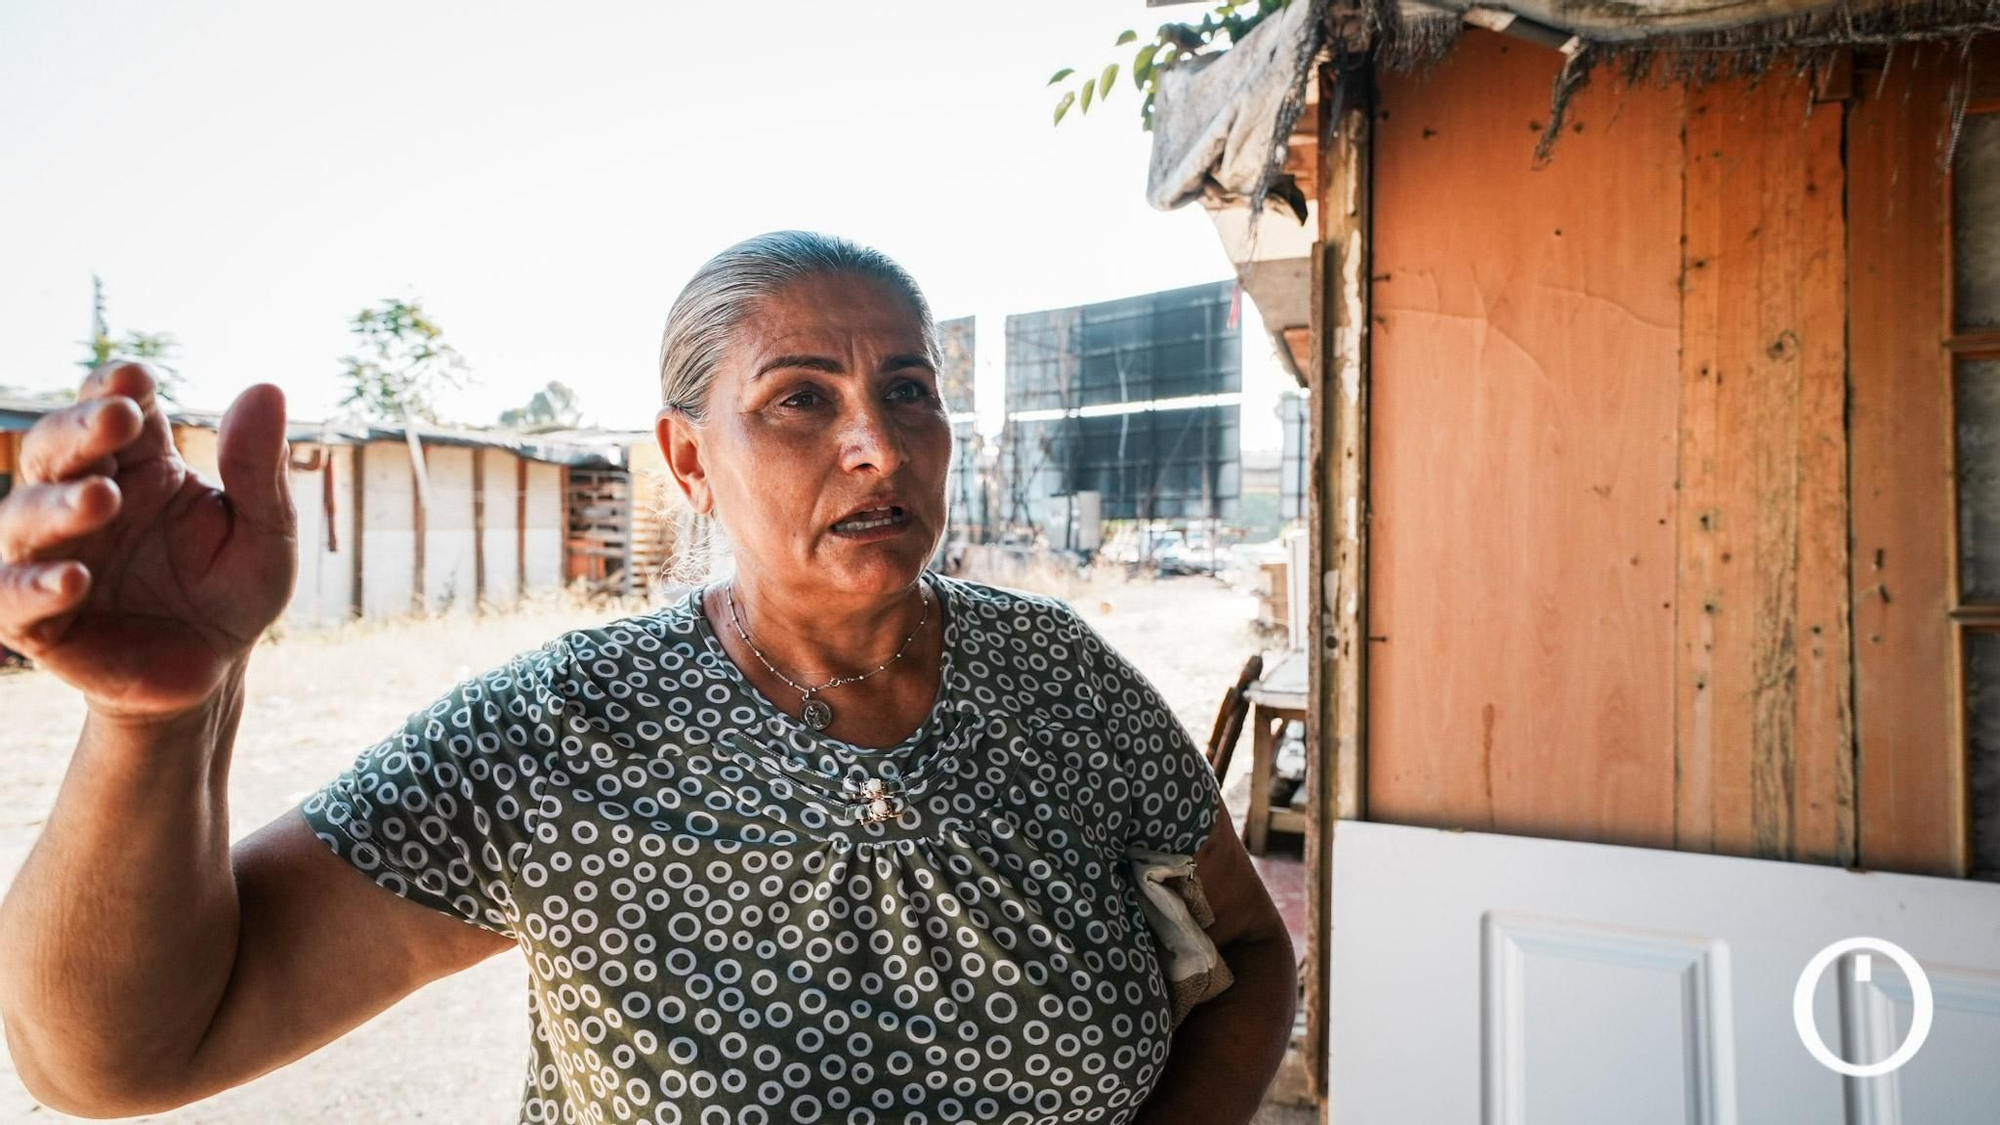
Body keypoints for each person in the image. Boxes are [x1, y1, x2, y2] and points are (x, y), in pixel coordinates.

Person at [0, 231, 1297, 1124]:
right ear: (687, 460)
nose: (875, 443)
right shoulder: (564, 732)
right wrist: (156, 717)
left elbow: (1244, 951)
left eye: (909, 390)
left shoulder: (1059, 683)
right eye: (799, 399)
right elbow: (113, 1055)